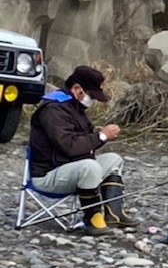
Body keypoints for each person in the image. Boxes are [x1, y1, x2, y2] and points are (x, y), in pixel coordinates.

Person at [28, 65, 138, 236]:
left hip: (70, 168)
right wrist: (101, 136)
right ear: (77, 88)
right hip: (48, 175)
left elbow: (83, 145)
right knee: (90, 166)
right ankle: (93, 219)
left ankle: (114, 214)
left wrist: (97, 138)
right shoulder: (53, 109)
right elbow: (69, 147)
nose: (92, 100)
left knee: (114, 159)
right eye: (91, 95)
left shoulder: (74, 107)